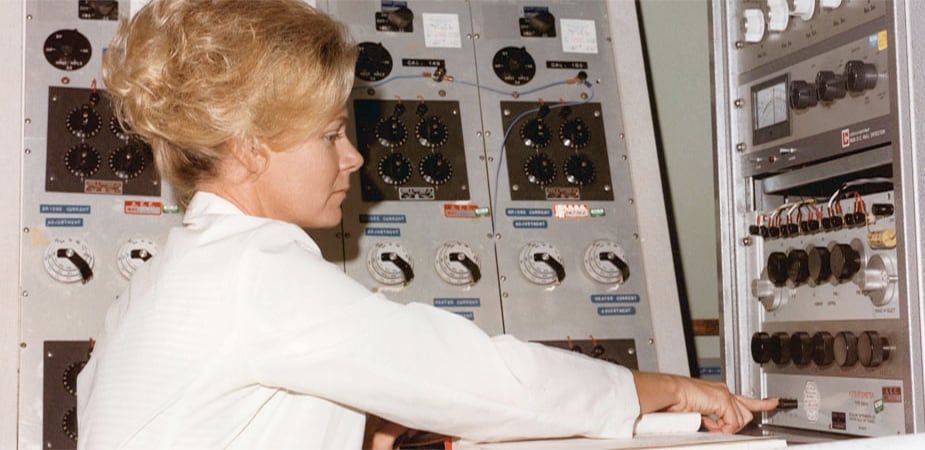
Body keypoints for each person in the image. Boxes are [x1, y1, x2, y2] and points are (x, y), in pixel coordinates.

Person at [76, 0, 778, 448]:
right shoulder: (253, 273)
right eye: (328, 136)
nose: (352, 157)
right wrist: (677, 387)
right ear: (251, 148)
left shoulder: (168, 277)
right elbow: (494, 384)